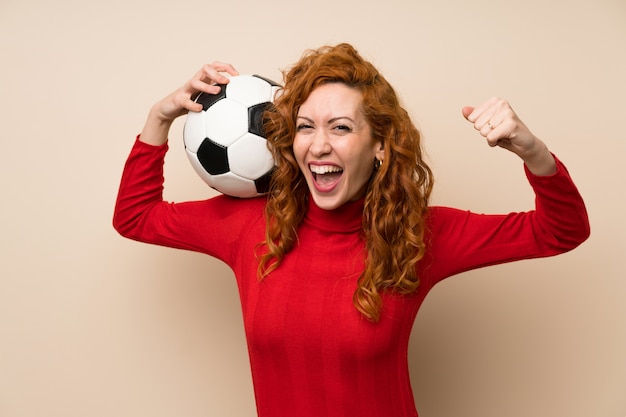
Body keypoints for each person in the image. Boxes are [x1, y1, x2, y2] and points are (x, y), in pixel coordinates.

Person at [113, 43, 590, 417]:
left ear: (380, 145)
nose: (319, 145)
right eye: (305, 127)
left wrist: (532, 151)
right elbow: (134, 217)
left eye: (340, 128)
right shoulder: (248, 225)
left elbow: (561, 231)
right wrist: (161, 115)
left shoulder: (418, 234)